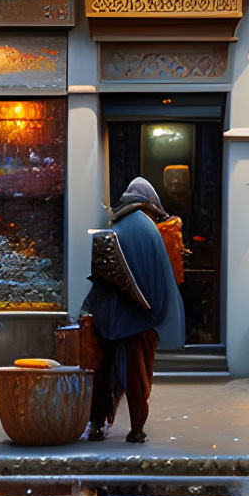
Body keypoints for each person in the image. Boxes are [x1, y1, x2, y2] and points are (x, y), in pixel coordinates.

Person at [83, 177, 184, 443]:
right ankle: (136, 429)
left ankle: (96, 426)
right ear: (149, 206)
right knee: (136, 377)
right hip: (137, 320)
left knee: (103, 375)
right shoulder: (146, 227)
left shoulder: (115, 225)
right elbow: (158, 280)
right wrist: (155, 313)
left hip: (107, 316)